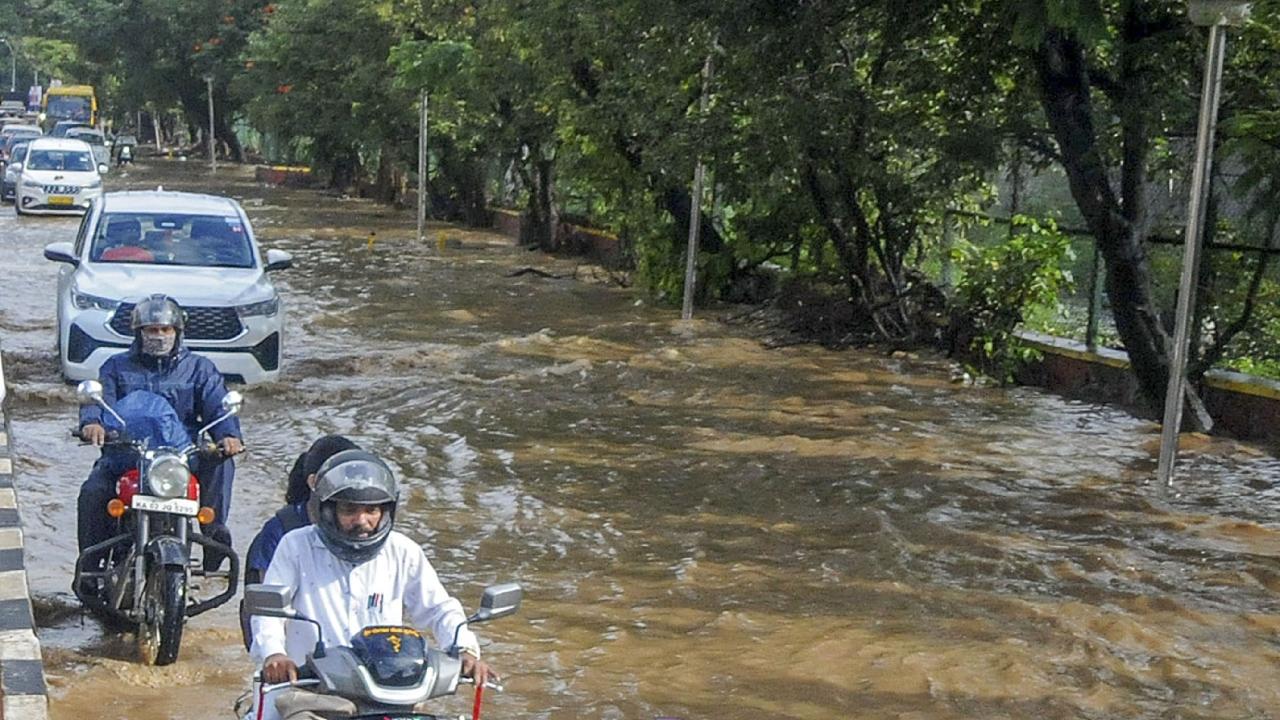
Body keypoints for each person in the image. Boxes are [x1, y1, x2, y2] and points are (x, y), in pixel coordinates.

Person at [248, 450, 495, 720]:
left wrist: (465, 649)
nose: (362, 521)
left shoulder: (403, 551)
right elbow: (268, 610)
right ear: (328, 510)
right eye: (350, 510)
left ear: (386, 511)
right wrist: (274, 654)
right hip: (309, 688)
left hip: (387, 692)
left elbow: (438, 608)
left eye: (371, 510)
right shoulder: (295, 546)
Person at [77, 294, 244, 575]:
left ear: (177, 332)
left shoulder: (199, 368)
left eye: (165, 330)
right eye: (151, 330)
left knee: (220, 461)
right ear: (138, 333)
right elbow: (98, 400)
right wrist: (93, 423)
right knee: (93, 493)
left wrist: (228, 435)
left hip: (182, 456)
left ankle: (213, 535)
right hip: (128, 453)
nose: (159, 336)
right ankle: (90, 570)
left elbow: (218, 404)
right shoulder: (115, 367)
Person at [239, 434, 359, 649]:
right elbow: (268, 607)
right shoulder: (281, 531)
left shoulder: (366, 530)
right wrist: (276, 655)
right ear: (314, 482)